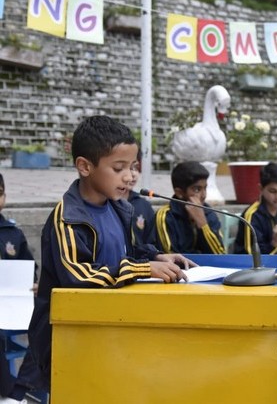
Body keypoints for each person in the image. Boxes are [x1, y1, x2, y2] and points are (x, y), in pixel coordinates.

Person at [27, 115, 196, 392]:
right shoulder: (68, 218)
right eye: (118, 168)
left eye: (132, 167)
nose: (129, 176)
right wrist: (142, 269)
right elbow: (79, 276)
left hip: (109, 331)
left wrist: (154, 257)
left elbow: (122, 252)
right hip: (70, 341)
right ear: (85, 166)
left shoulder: (117, 207)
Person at [0, 173, 39, 403]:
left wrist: (33, 285)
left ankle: (18, 391)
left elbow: (30, 269)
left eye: (0, 194)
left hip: (13, 303)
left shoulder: (12, 233)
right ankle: (5, 390)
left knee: (47, 325)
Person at [153, 161, 225, 254]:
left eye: (205, 188)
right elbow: (170, 255)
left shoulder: (209, 212)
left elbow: (220, 254)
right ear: (179, 193)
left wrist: (203, 224)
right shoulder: (165, 216)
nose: (204, 195)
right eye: (197, 189)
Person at [234, 162, 277, 255]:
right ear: (261, 189)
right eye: (272, 191)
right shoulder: (252, 215)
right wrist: (275, 243)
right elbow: (253, 257)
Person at [124, 156, 155, 246]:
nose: (133, 174)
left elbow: (152, 243)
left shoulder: (144, 205)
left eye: (136, 168)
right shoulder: (104, 204)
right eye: (129, 168)